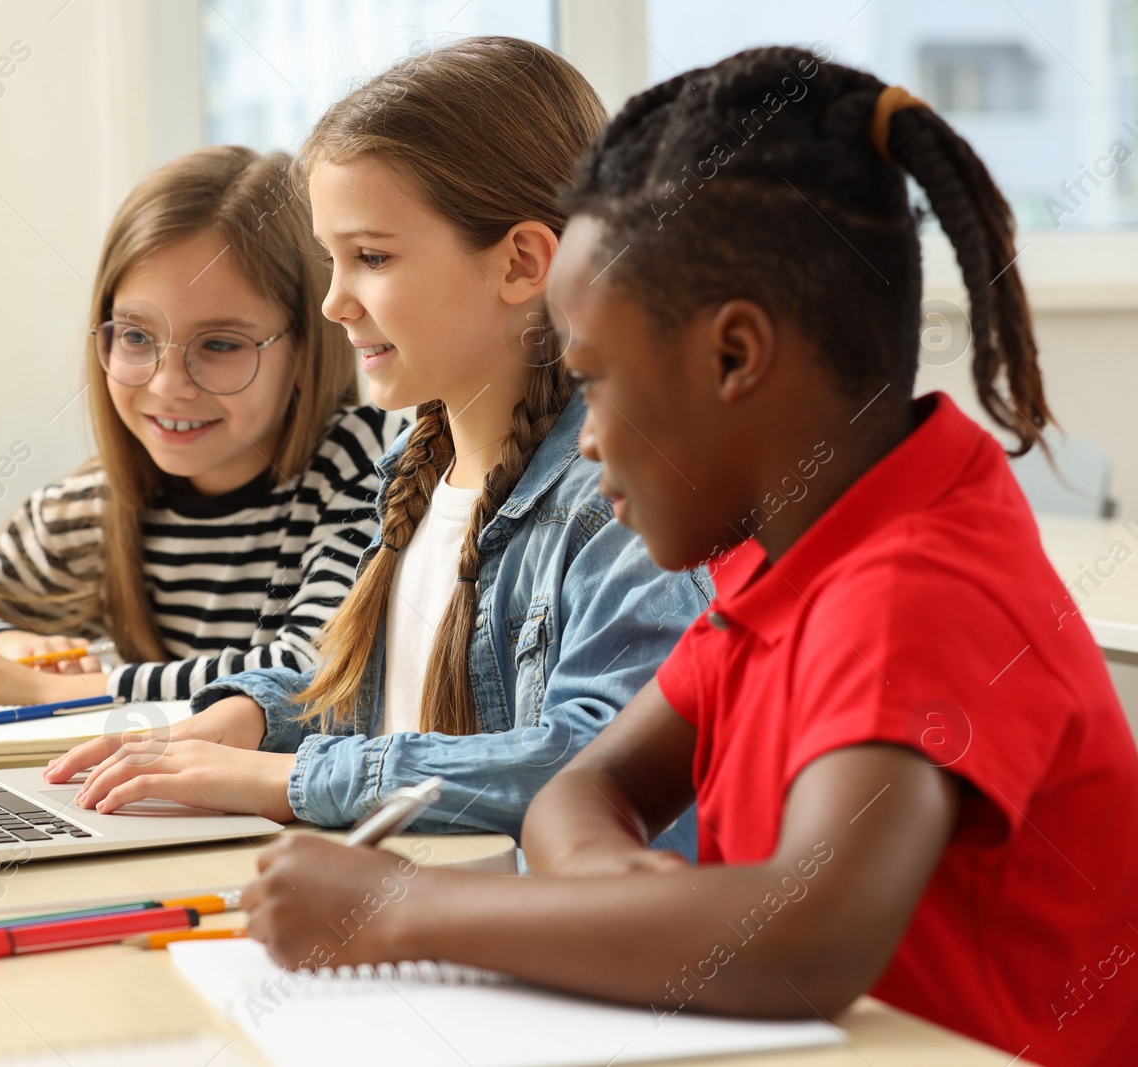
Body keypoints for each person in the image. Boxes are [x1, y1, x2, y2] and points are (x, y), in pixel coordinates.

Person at [236, 48, 1138, 1067]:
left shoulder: (915, 587)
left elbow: (807, 936)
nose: (583, 434)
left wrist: (405, 908)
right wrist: (615, 886)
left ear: (733, 357)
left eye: (599, 379)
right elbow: (587, 784)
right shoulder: (780, 561)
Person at [46, 37, 707, 849]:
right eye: (331, 260)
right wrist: (250, 716)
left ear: (522, 263)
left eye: (370, 257)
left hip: (539, 959)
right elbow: (373, 697)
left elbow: (595, 765)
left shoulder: (618, 500)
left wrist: (290, 780)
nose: (332, 304)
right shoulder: (414, 469)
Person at [0, 146, 407, 708]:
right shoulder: (90, 511)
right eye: (136, 337)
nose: (167, 385)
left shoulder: (368, 465)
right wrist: (9, 648)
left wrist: (63, 689)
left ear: (305, 350)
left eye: (220, 344)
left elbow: (307, 671)